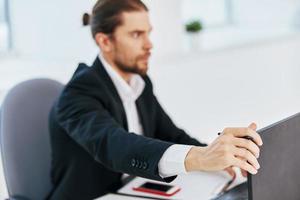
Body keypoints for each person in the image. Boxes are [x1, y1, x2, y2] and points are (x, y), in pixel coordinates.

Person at [47, 0, 263, 199]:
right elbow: (116, 146)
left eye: (148, 33)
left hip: (137, 189)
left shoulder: (140, 83)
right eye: (136, 35)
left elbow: (171, 134)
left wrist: (219, 156)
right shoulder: (76, 94)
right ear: (105, 41)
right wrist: (201, 157)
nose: (149, 44)